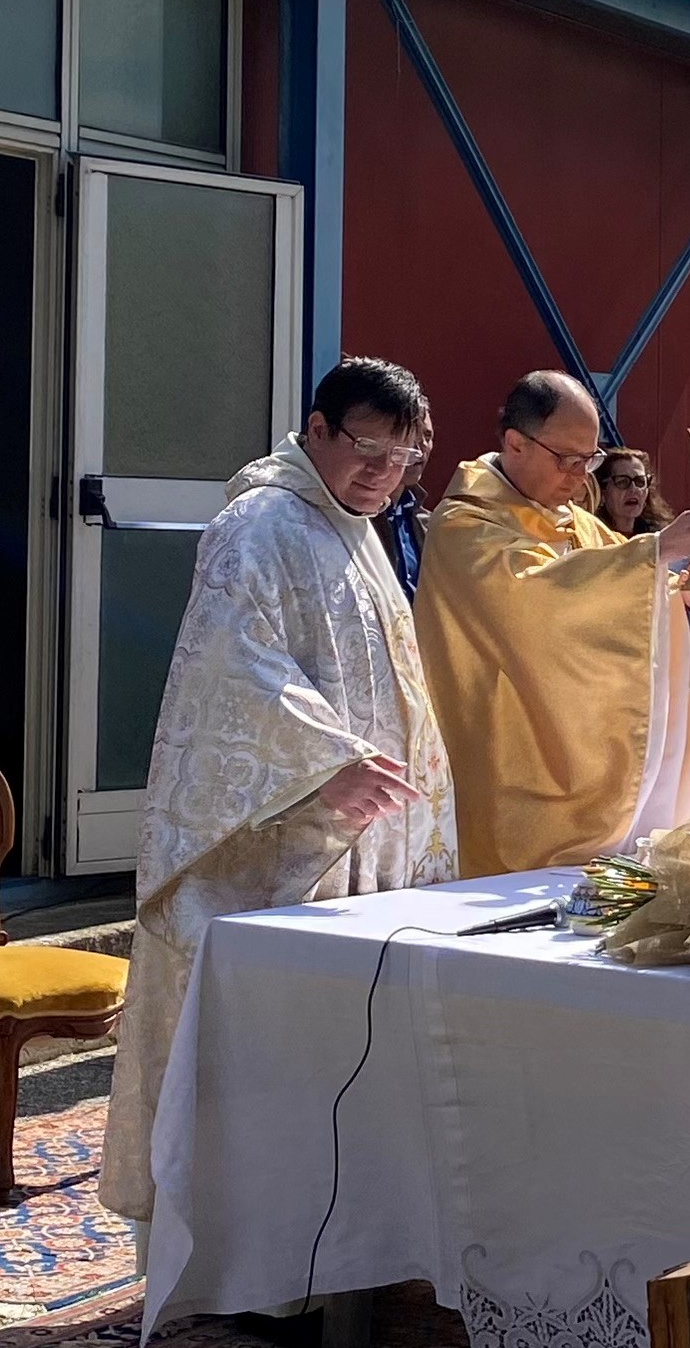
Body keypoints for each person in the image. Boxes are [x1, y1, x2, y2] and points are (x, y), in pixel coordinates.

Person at [100, 357, 458, 1230]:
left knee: (339, 1051)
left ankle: (331, 1243)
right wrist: (327, 760)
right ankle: (239, 1252)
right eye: (368, 448)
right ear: (318, 428)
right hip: (273, 838)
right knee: (265, 1055)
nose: (383, 473)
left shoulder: (357, 525)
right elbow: (234, 660)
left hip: (353, 830)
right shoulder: (258, 520)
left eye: (404, 459)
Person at [415, 370, 690, 877]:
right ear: (515, 443)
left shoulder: (579, 523)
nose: (581, 476)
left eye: (591, 459)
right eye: (567, 459)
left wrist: (687, 605)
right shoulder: (465, 526)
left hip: (588, 775)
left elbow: (635, 603)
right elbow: (535, 602)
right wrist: (658, 550)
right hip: (510, 773)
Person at [371, 402, 434, 598]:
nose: (421, 445)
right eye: (412, 434)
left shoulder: (428, 522)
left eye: (428, 436)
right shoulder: (360, 516)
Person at [593, 447, 674, 535]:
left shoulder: (659, 537)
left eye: (640, 481)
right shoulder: (590, 537)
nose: (633, 489)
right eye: (622, 482)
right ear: (603, 493)